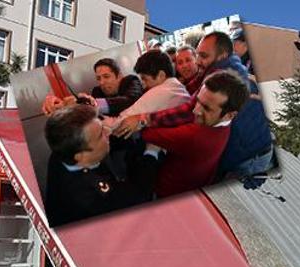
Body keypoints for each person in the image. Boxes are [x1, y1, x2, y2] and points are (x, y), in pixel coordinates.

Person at [114, 31, 274, 180]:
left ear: (222, 54)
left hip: (248, 159)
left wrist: (143, 120)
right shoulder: (223, 65)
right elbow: (195, 89)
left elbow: (189, 111)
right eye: (196, 55)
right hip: (251, 149)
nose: (197, 61)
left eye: (202, 56)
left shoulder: (221, 75)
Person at [43, 105, 160, 226]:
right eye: (101, 134)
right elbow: (138, 197)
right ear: (81, 156)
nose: (108, 132)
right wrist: (152, 153)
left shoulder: (63, 150)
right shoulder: (92, 197)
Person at [141, 70, 248, 198]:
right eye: (197, 101)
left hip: (169, 191)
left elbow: (148, 134)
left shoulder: (195, 136)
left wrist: (142, 119)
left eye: (206, 108)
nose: (195, 110)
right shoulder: (225, 123)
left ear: (230, 114)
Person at [42, 58, 143, 117]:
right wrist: (64, 106)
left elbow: (131, 101)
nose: (102, 82)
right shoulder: (97, 91)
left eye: (106, 76)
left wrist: (92, 103)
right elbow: (93, 116)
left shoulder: (131, 80)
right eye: (98, 78)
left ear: (119, 76)